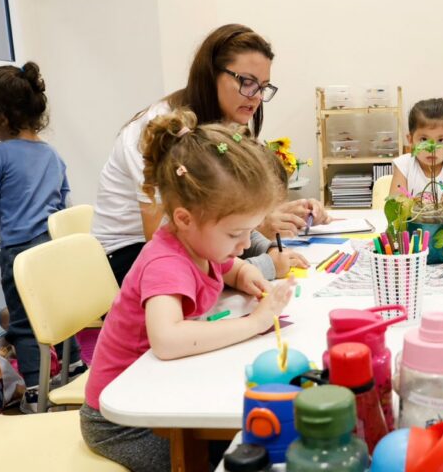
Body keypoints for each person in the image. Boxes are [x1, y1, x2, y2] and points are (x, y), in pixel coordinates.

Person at [80, 109, 294, 472]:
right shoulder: (165, 262)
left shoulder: (198, 244)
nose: (245, 244)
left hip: (155, 396)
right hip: (120, 419)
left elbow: (222, 266)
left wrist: (243, 272)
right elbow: (168, 339)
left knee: (230, 462)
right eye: (236, 234)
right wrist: (253, 323)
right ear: (183, 218)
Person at [90, 23, 328, 285]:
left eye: (263, 87)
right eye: (247, 83)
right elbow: (165, 245)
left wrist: (267, 246)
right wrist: (262, 260)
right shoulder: (160, 131)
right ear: (211, 75)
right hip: (128, 258)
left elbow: (220, 214)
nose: (257, 97)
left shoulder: (222, 124)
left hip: (184, 248)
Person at [0, 61, 82, 412]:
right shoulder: (51, 154)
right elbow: (64, 200)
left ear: (2, 117)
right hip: (51, 248)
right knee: (59, 311)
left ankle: (34, 391)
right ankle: (75, 368)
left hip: (18, 252)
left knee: (24, 322)